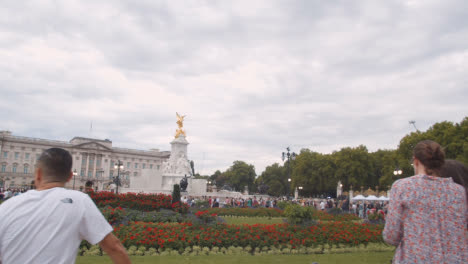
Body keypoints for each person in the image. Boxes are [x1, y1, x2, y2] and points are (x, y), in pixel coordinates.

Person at [0, 148, 130, 264]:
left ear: (38, 174)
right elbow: (114, 247)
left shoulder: (7, 206)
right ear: (69, 176)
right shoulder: (78, 200)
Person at [383, 140, 467, 263]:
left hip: (416, 258)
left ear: (416, 161)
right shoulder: (458, 191)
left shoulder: (403, 187)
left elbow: (391, 236)